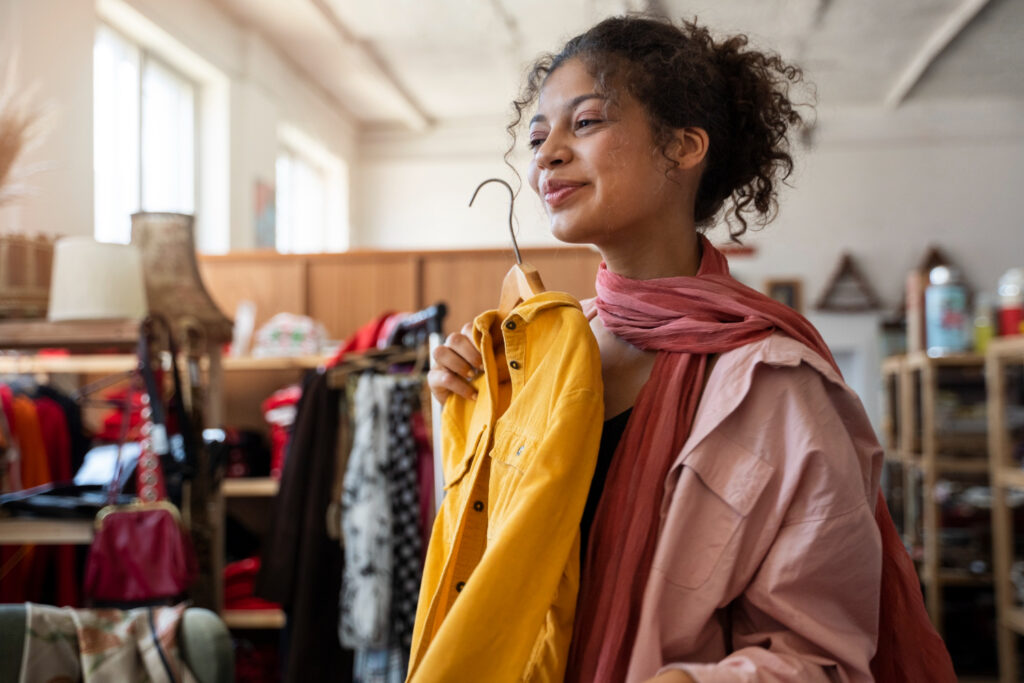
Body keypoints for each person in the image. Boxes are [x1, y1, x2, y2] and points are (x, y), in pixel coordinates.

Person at [428, 15, 954, 683]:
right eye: (538, 136)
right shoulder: (541, 358)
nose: (546, 154)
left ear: (683, 147)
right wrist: (463, 420)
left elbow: (822, 658)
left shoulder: (779, 385)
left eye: (584, 123)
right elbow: (498, 572)